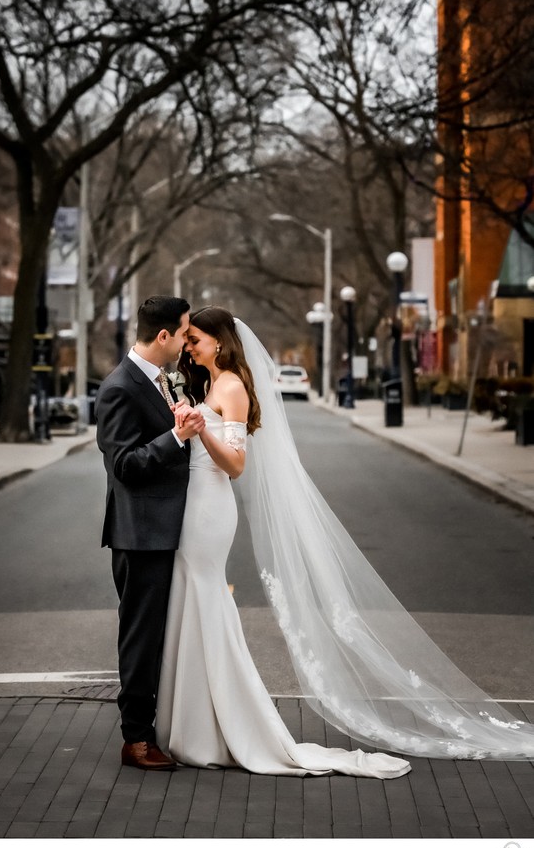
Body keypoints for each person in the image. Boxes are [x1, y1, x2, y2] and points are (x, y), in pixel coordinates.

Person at [155, 307, 534, 776]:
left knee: (207, 599)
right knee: (195, 599)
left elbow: (235, 465)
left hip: (210, 507)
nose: (188, 346)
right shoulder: (209, 385)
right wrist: (187, 420)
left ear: (219, 341)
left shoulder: (229, 385)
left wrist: (197, 430)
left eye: (195, 339)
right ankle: (200, 719)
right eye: (187, 339)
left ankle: (218, 724)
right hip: (195, 503)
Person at [95, 295, 205, 772]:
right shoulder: (120, 387)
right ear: (163, 336)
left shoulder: (162, 380)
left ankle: (158, 727)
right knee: (141, 637)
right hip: (141, 534)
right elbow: (124, 465)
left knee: (162, 633)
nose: (186, 342)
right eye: (183, 333)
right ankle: (136, 740)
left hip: (168, 529)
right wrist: (177, 437)